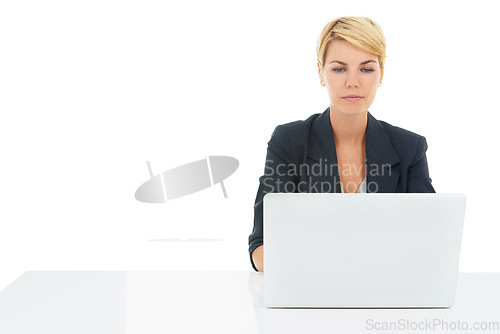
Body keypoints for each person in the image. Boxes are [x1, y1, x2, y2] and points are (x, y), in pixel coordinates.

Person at [248, 16, 435, 272]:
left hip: (386, 296)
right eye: (339, 68)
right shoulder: (289, 142)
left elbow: (431, 241)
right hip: (311, 295)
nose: (353, 82)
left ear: (381, 74)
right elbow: (261, 246)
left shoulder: (410, 148)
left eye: (366, 69)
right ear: (320, 73)